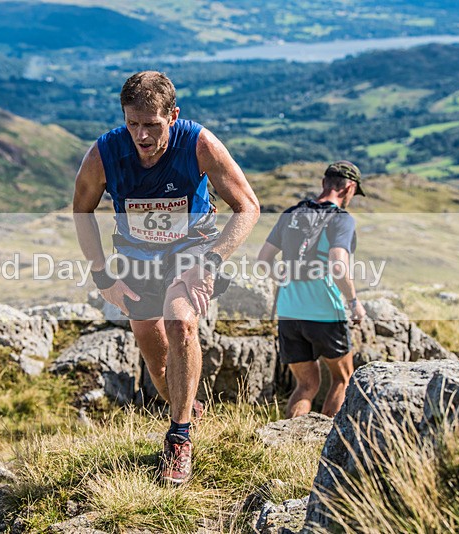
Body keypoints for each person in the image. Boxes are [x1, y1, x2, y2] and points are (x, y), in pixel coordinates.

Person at [73, 71, 259, 483]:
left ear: (172, 115)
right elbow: (81, 211)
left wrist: (209, 262)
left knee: (180, 322)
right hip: (137, 260)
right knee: (158, 365)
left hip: (191, 251)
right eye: (132, 123)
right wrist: (103, 277)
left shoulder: (199, 144)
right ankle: (188, 410)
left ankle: (179, 439)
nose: (141, 135)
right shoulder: (104, 153)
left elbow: (247, 207)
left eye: (152, 125)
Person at [257, 161, 367, 419]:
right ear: (349, 187)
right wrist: (353, 302)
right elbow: (338, 265)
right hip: (324, 310)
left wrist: (281, 276)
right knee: (343, 377)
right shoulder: (341, 219)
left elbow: (263, 260)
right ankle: (326, 442)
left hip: (288, 311)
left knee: (306, 385)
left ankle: (289, 445)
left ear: (324, 183)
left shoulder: (292, 213)